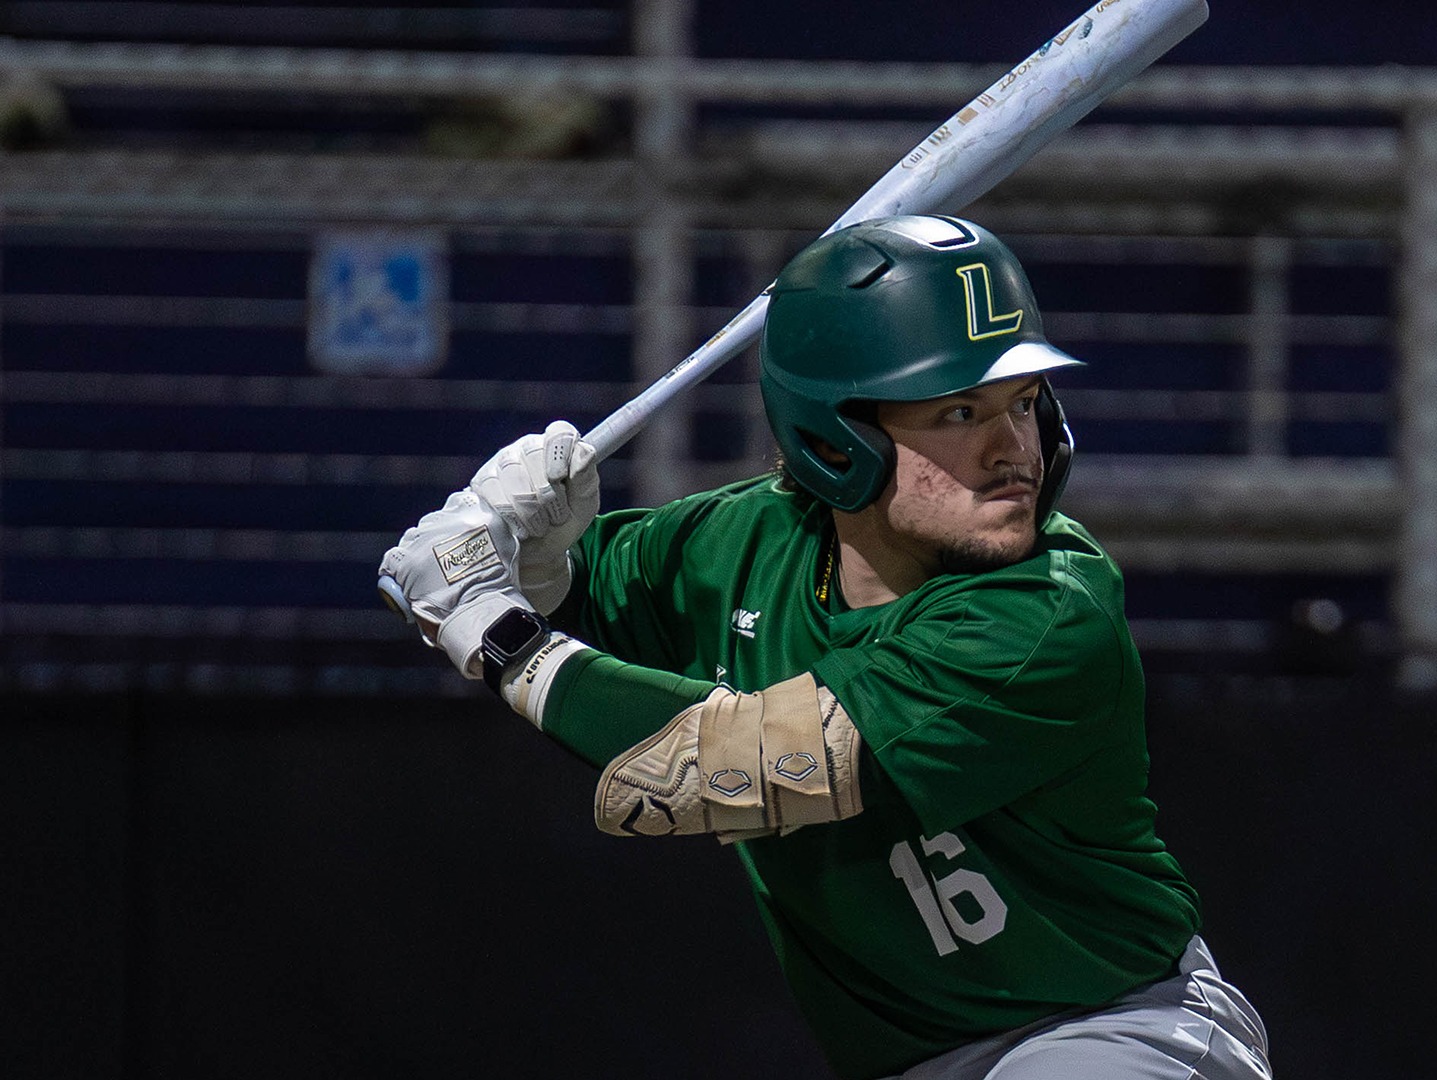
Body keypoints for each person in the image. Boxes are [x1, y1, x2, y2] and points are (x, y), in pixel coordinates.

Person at [380, 214, 1272, 1080]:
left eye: (1026, 402)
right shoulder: (741, 544)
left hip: (1112, 1030)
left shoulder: (1043, 611)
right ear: (835, 438)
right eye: (961, 410)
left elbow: (719, 773)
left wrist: (497, 635)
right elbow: (576, 602)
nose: (1015, 450)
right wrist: (530, 561)